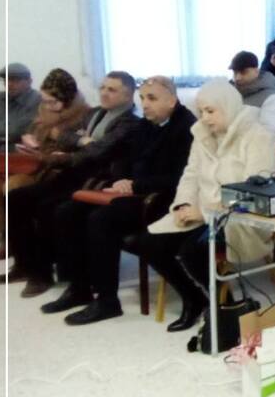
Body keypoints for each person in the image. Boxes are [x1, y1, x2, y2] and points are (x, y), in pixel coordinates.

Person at [44, 76, 195, 324]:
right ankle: (79, 287)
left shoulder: (187, 127)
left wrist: (135, 185)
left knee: (101, 219)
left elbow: (180, 177)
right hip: (133, 192)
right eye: (143, 98)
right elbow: (128, 160)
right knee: (68, 211)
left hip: (161, 199)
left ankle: (107, 301)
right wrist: (122, 180)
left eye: (152, 98)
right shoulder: (146, 124)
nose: (145, 104)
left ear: (172, 100)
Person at [138, 79, 275, 332]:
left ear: (228, 106)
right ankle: (195, 299)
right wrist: (183, 204)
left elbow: (255, 195)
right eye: (201, 111)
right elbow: (190, 176)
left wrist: (204, 213)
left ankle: (225, 308)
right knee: (148, 243)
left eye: (211, 111)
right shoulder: (202, 135)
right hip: (203, 213)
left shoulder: (257, 136)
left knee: (193, 250)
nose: (205, 118)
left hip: (240, 219)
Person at [3, 71, 144, 298]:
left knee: (48, 207)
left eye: (112, 90)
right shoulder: (96, 113)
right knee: (15, 198)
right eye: (103, 87)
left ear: (128, 95)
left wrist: (72, 150)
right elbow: (65, 135)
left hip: (95, 180)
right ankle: (24, 264)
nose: (104, 93)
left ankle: (43, 274)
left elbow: (99, 152)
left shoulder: (130, 123)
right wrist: (83, 140)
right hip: (74, 173)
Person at [0, 68, 91, 286]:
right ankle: (21, 262)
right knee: (2, 192)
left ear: (68, 99)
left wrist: (45, 150)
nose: (48, 106)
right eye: (45, 101)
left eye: (53, 102)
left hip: (62, 173)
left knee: (23, 194)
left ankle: (40, 272)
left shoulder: (84, 115)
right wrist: (32, 145)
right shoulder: (43, 112)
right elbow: (26, 134)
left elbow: (81, 153)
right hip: (37, 165)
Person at [0, 63, 41, 248]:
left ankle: (16, 235)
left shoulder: (37, 100)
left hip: (21, 160)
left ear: (29, 81)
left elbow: (18, 129)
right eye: (6, 80)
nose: (9, 84)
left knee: (9, 187)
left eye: (15, 80)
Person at [229, 50, 275, 142]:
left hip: (251, 148)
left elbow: (267, 137)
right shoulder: (229, 91)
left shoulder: (273, 99)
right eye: (235, 72)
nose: (238, 77)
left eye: (243, 72)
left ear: (256, 71)